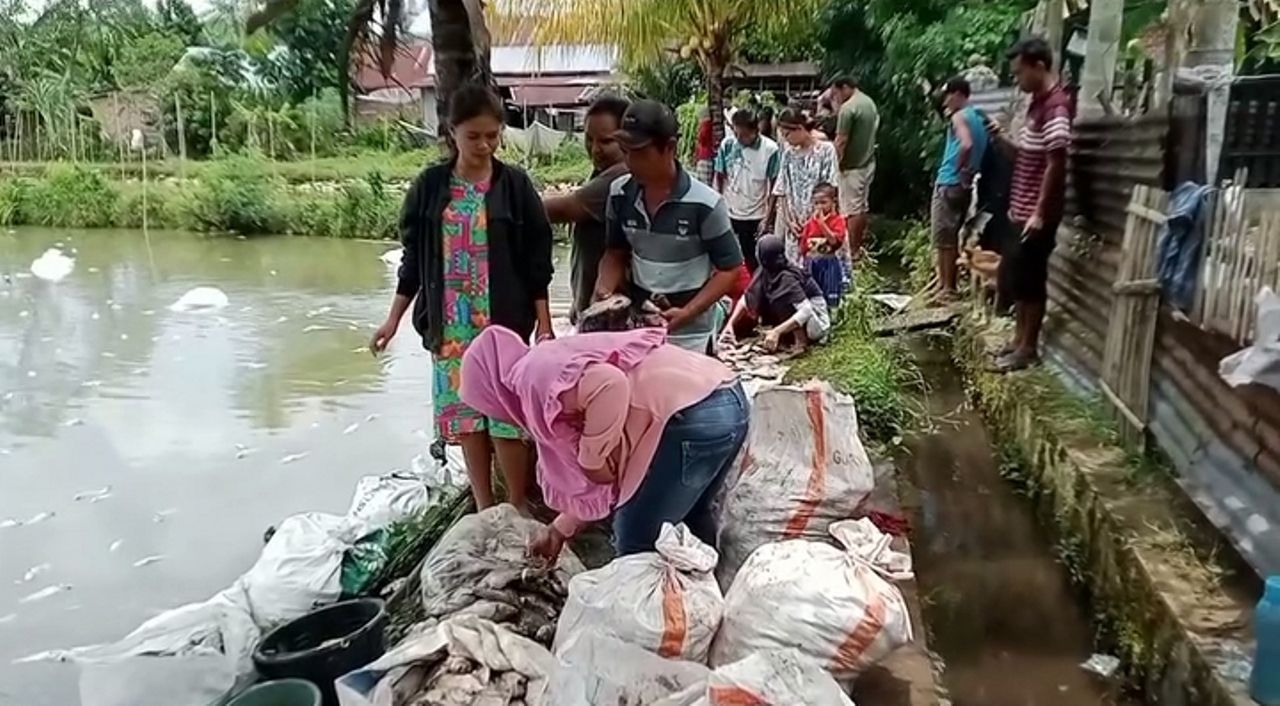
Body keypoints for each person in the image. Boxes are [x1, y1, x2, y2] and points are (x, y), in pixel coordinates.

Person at [370, 84, 554, 513]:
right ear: (452, 132)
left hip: (503, 326)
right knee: (467, 416)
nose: (485, 144)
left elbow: (536, 259)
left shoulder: (515, 187)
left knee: (507, 417)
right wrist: (392, 321)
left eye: (493, 135)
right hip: (451, 326)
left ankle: (516, 502)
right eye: (474, 136)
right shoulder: (430, 188)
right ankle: (484, 503)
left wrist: (544, 322)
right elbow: (413, 261)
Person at [458, 326, 749, 558]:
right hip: (729, 397)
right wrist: (559, 531)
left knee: (636, 540)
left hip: (694, 413)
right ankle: (708, 607)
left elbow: (610, 384)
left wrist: (591, 458)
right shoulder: (548, 365)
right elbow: (603, 479)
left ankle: (652, 628)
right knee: (691, 516)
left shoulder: (533, 377)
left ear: (492, 388)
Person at [596, 99, 746, 355]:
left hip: (693, 336)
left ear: (670, 148)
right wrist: (604, 289)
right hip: (642, 330)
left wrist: (689, 311)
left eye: (640, 153)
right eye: (626, 151)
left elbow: (729, 270)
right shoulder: (619, 194)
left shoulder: (706, 204)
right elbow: (615, 253)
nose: (630, 162)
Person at [990, 37, 1072, 372]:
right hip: (1020, 210)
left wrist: (1040, 212)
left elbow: (1056, 161)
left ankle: (1028, 348)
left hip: (1035, 216)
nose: (1017, 80)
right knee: (1018, 279)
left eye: (1020, 72)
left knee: (1031, 281)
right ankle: (1017, 340)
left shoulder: (1056, 106)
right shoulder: (1037, 104)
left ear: (1039, 66)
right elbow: (1027, 158)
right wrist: (1000, 137)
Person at [543, 95, 630, 323]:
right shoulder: (602, 173)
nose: (594, 149)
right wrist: (577, 302)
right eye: (589, 139)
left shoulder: (620, 176)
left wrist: (507, 197)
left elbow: (560, 209)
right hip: (592, 301)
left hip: (608, 306)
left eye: (605, 141)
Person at [720, 234, 832, 353]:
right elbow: (747, 299)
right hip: (800, 319)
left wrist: (776, 331)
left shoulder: (787, 277)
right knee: (766, 296)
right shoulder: (764, 272)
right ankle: (788, 336)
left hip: (817, 322)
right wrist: (730, 324)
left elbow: (806, 310)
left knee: (781, 297)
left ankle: (800, 341)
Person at [931, 77, 989, 304]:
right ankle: (946, 285)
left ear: (958, 94)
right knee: (952, 236)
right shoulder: (978, 116)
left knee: (943, 238)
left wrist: (959, 168)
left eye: (948, 95)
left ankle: (948, 289)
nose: (946, 100)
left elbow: (966, 144)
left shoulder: (959, 116)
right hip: (964, 185)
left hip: (949, 181)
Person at [713, 108, 781, 272]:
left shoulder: (770, 149)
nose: (740, 139)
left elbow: (775, 186)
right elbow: (719, 176)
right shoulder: (728, 145)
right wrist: (717, 205)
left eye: (744, 135)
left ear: (755, 130)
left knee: (754, 258)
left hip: (756, 213)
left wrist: (768, 217)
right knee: (728, 257)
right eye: (737, 134)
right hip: (730, 210)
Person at [770, 107, 839, 264]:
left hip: (819, 223)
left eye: (787, 134)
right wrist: (789, 221)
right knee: (794, 271)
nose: (786, 139)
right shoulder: (788, 154)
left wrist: (817, 220)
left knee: (817, 268)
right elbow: (782, 191)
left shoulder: (826, 151)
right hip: (795, 224)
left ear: (799, 129)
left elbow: (830, 188)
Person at [830, 76, 880, 264]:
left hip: (852, 167)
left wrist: (833, 164)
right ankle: (857, 249)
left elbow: (841, 141)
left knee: (850, 210)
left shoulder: (848, 108)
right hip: (867, 162)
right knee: (861, 207)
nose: (836, 98)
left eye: (836, 93)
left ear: (844, 88)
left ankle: (850, 252)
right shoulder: (868, 103)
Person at [800, 182, 847, 308]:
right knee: (813, 296)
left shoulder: (838, 221)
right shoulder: (810, 223)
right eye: (816, 203)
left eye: (823, 202)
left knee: (830, 294)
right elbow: (803, 246)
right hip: (812, 263)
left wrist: (822, 225)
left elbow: (834, 241)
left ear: (833, 202)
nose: (819, 207)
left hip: (829, 262)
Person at [694, 106, 717, 185]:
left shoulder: (706, 125)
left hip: (705, 157)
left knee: (703, 183)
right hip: (707, 157)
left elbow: (702, 139)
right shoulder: (710, 125)